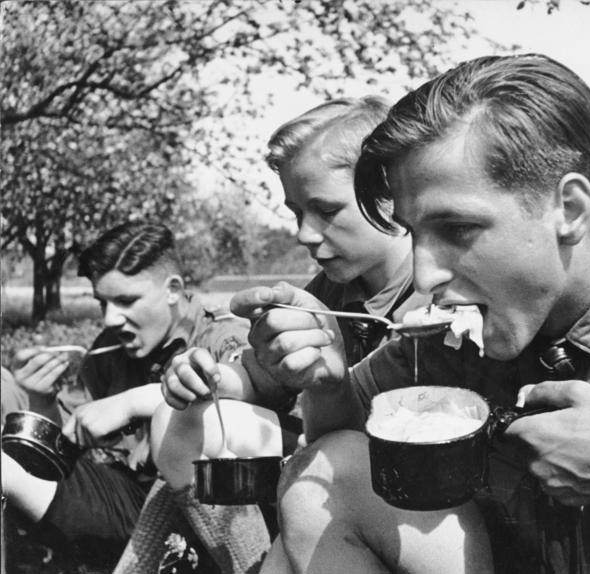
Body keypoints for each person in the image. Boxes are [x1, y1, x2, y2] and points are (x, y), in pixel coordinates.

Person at [213, 53, 590, 574]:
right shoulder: (449, 332)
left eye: (458, 229)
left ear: (568, 208)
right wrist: (324, 378)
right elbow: (338, 441)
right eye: (414, 234)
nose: (424, 277)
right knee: (332, 472)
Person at [146, 96, 431, 571]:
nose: (303, 234)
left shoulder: (432, 296)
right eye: (298, 212)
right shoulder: (330, 290)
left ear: (389, 196)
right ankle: (251, 559)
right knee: (176, 421)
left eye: (325, 210)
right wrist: (203, 376)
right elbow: (260, 375)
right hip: (329, 463)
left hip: (403, 494)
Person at [1, 222, 252, 568]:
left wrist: (135, 402)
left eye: (126, 301)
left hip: (199, 513)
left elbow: (254, 414)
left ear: (173, 289)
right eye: (102, 303)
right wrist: (41, 399)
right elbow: (70, 443)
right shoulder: (112, 346)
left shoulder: (221, 336)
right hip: (127, 500)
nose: (111, 319)